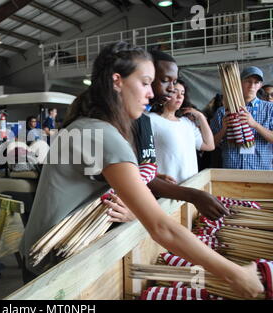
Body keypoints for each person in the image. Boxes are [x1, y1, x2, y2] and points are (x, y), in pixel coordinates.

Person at [20, 41, 263, 299]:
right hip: (54, 270)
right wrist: (236, 274)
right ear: (117, 81)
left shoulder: (87, 125)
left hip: (43, 258)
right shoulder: (104, 135)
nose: (152, 94)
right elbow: (162, 228)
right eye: (146, 82)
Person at [132, 50, 228, 221]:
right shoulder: (145, 120)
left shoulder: (185, 123)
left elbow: (140, 172)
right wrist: (193, 195)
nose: (171, 91)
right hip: (161, 197)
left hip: (180, 190)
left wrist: (200, 116)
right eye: (165, 81)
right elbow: (129, 175)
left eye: (176, 85)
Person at [148, 79, 215, 184]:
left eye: (182, 93)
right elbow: (139, 155)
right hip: (168, 187)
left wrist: (201, 117)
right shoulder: (151, 119)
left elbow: (209, 145)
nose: (180, 96)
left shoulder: (187, 122)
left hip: (191, 185)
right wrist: (156, 175)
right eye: (175, 92)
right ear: (164, 93)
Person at [210, 66, 273, 170]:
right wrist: (224, 129)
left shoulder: (270, 109)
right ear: (239, 83)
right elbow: (211, 144)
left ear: (260, 85)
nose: (252, 85)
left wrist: (254, 124)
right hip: (231, 171)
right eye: (248, 81)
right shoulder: (223, 111)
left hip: (261, 171)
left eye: (256, 82)